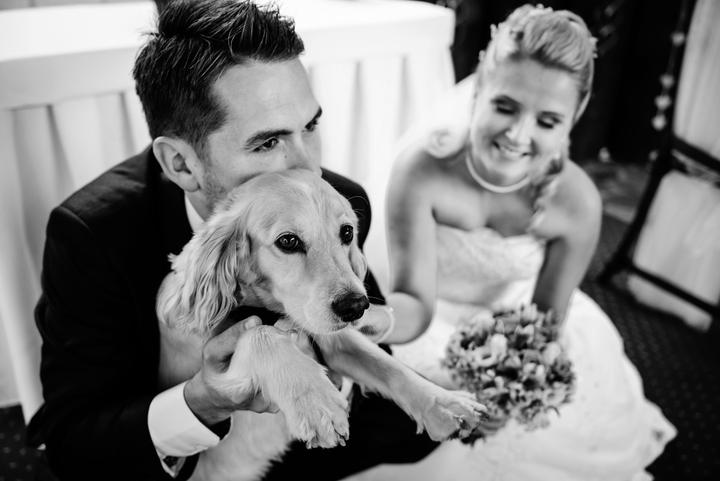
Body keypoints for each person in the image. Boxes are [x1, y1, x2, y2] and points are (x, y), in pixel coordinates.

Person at [25, 1, 437, 480]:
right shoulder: (92, 234)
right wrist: (201, 401)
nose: (308, 168)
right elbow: (74, 443)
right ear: (181, 164)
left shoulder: (335, 201)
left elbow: (370, 370)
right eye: (267, 142)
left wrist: (329, 379)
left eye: (309, 127)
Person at [346, 5, 677, 480]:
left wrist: (505, 384)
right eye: (505, 106)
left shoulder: (578, 203)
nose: (519, 135)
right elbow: (415, 303)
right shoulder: (422, 171)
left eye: (548, 121)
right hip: (429, 322)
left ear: (575, 116)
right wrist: (371, 322)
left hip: (516, 327)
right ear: (479, 86)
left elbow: (543, 325)